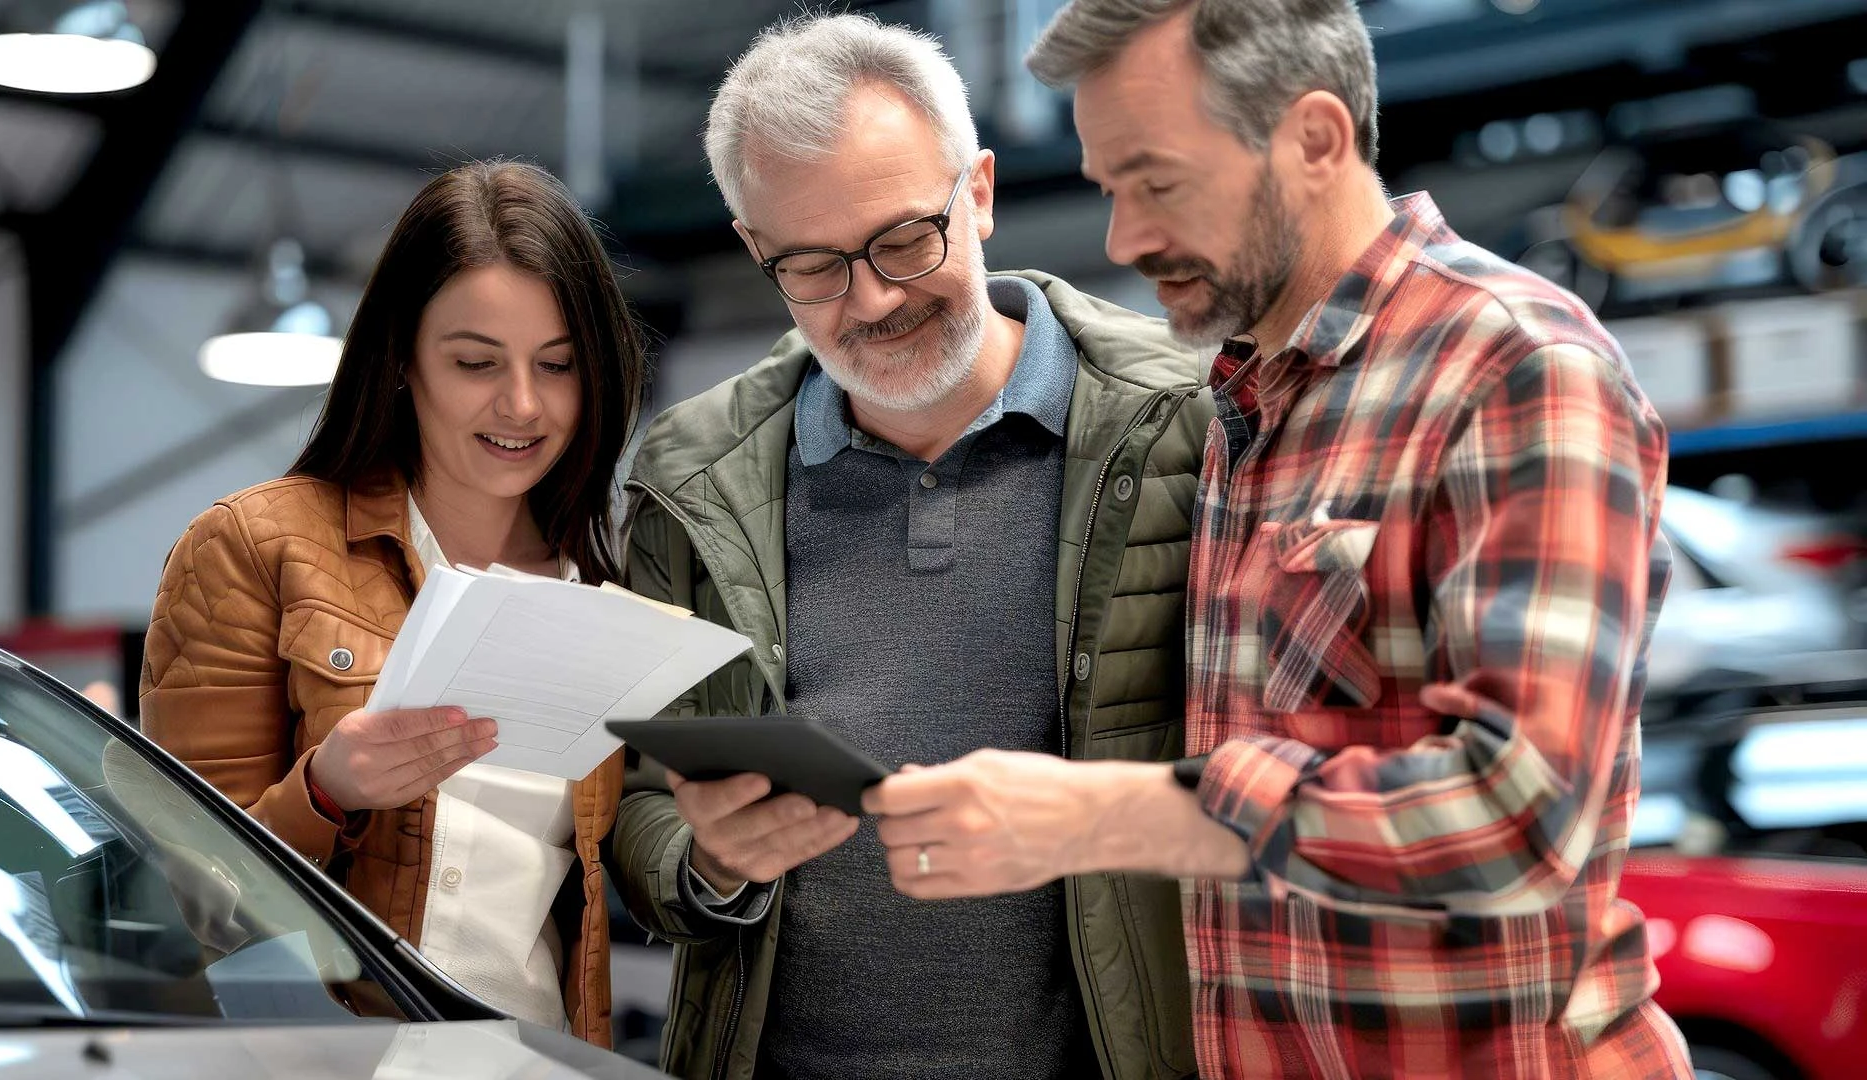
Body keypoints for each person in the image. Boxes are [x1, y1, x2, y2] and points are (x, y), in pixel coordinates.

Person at [862, 2, 1695, 1078]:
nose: (1124, 239)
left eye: (1156, 183)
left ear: (1313, 139)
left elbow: (1515, 818)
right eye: (1110, 189)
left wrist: (1108, 816)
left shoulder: (1514, 368)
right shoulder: (1248, 404)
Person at [607, 13, 1212, 1080]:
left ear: (977, 190)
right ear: (756, 251)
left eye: (902, 240)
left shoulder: (1185, 426)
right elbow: (639, 802)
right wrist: (704, 860)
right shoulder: (694, 478)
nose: (872, 299)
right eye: (813, 266)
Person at [140, 159, 647, 1045]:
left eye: (558, 365)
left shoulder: (607, 587)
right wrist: (327, 792)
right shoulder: (258, 548)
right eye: (475, 362)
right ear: (402, 360)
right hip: (327, 1065)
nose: (522, 404)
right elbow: (178, 899)